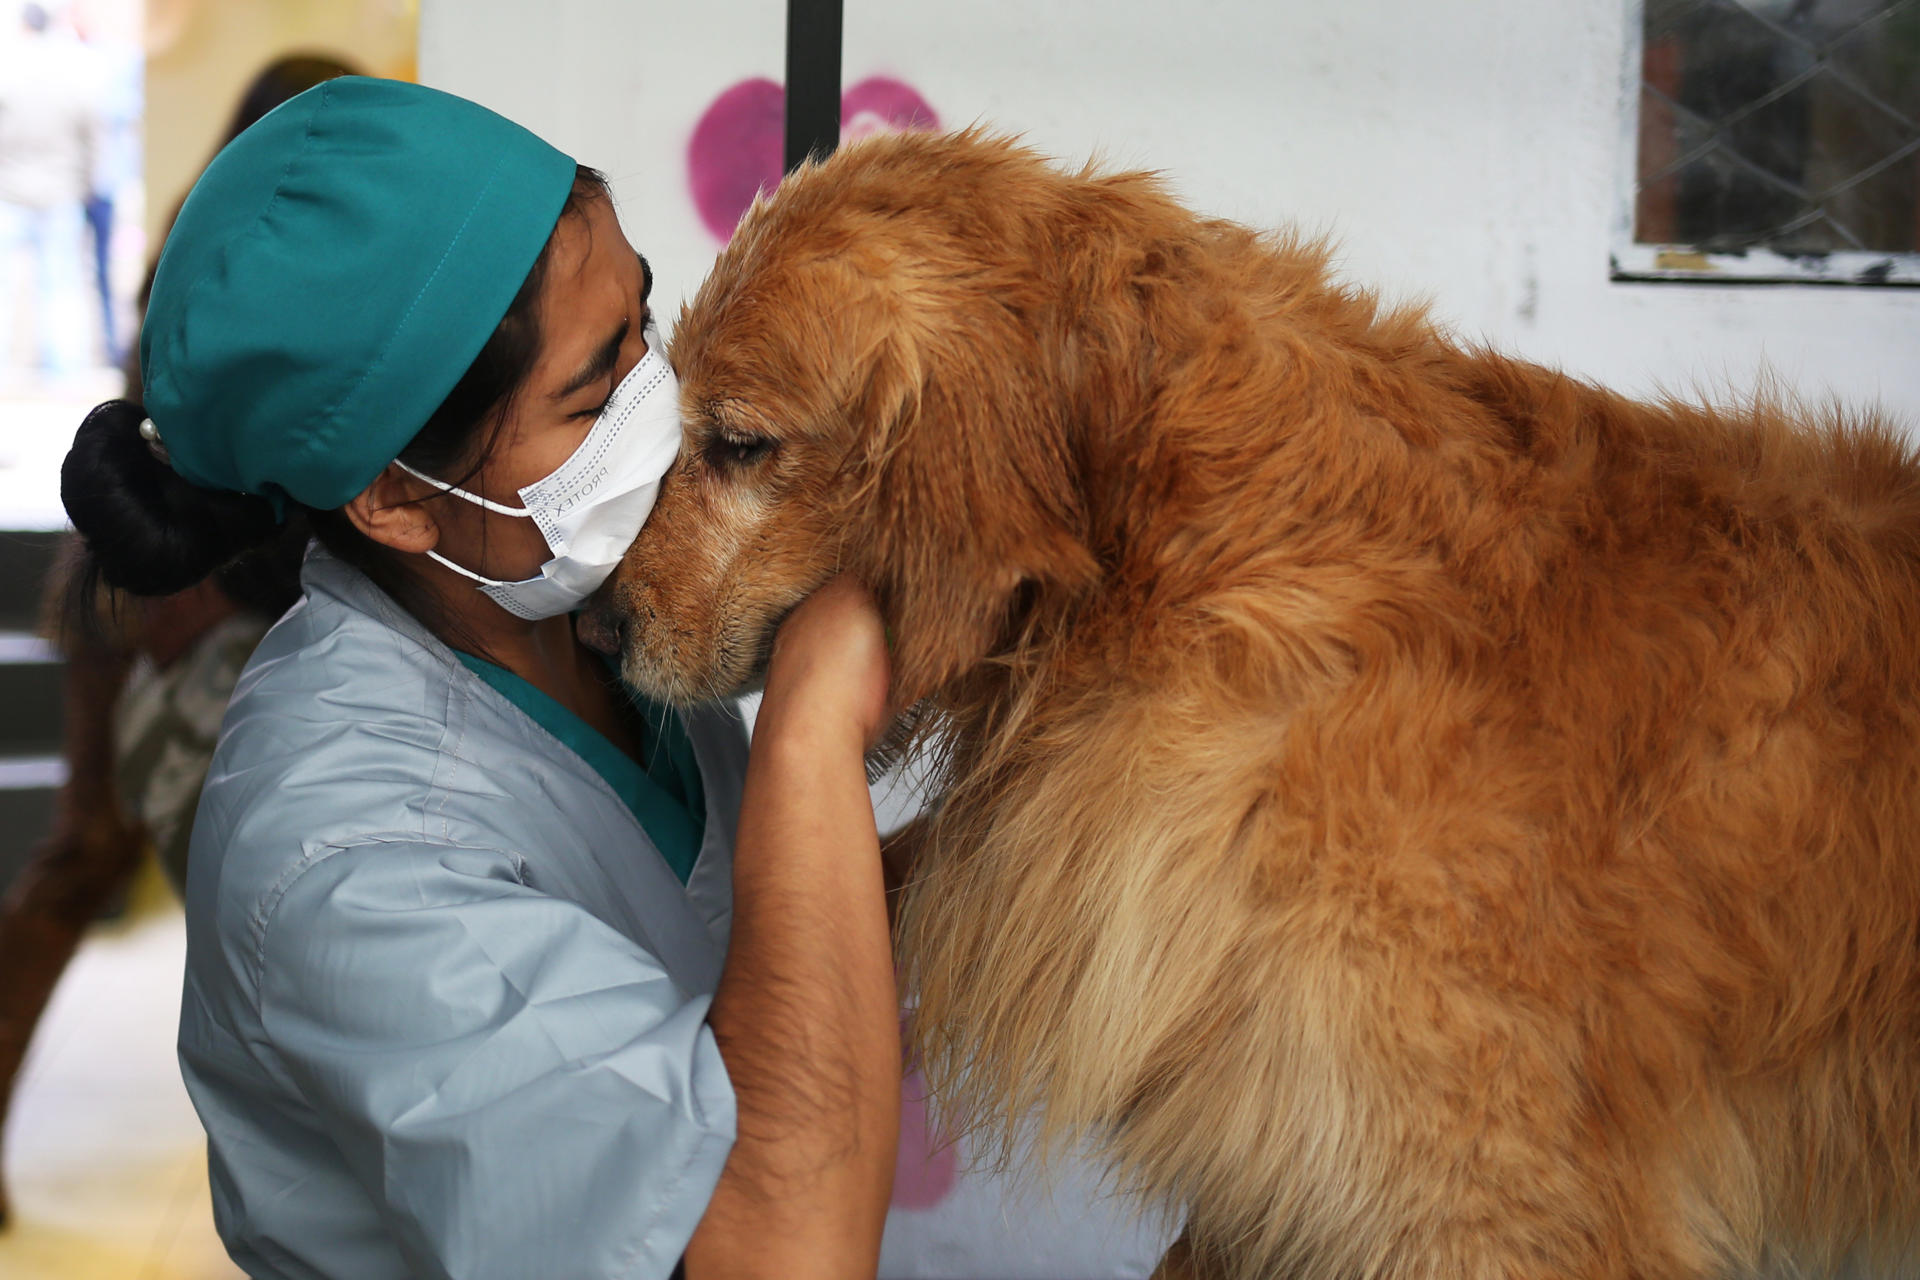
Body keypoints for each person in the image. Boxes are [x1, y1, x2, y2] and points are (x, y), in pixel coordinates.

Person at [58, 76, 899, 1280]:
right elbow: (778, 1246)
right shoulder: (343, 854)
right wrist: (813, 723)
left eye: (641, 323)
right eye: (594, 386)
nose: (657, 405)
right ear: (397, 498)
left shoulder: (588, 614)